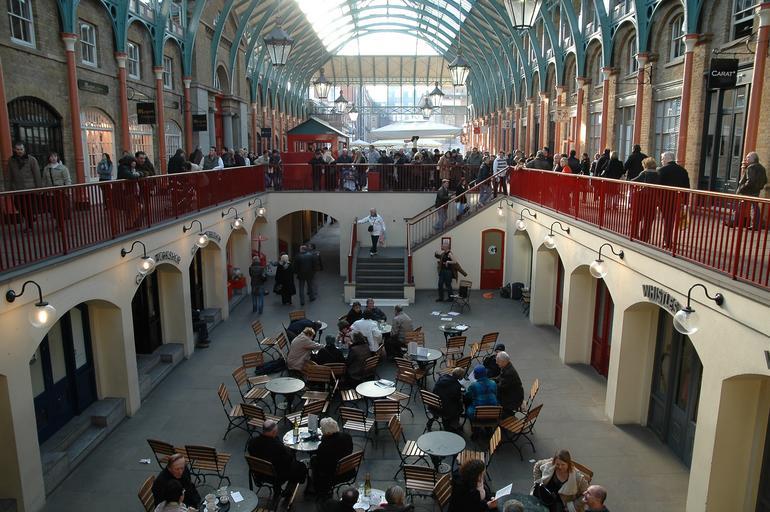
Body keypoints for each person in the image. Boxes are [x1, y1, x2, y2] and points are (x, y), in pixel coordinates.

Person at [247, 420, 307, 495]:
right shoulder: (277, 446)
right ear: (273, 432)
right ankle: (289, 491)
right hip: (275, 476)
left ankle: (280, 491)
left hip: (259, 473)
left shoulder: (252, 442)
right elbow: (288, 460)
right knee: (301, 467)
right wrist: (290, 451)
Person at [310, 418, 354, 497]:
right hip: (348, 470)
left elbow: (321, 463)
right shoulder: (347, 436)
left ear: (326, 432)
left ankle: (317, 486)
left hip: (333, 474)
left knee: (313, 460)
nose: (321, 429)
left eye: (321, 428)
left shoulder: (324, 446)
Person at [657, 151, 690, 247]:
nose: (662, 161)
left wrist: (657, 201)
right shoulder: (682, 170)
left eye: (662, 159)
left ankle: (667, 241)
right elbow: (687, 187)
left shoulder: (662, 170)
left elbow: (657, 186)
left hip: (665, 199)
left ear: (667, 159)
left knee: (667, 220)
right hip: (677, 199)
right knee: (672, 220)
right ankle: (669, 239)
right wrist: (685, 202)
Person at [7, 142, 41, 230]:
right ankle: (30, 219)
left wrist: (39, 188)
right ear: (14, 150)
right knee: (19, 206)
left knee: (29, 207)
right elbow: (9, 175)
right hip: (18, 188)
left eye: (21, 149)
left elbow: (37, 174)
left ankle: (29, 225)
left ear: (24, 149)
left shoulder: (32, 159)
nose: (19, 151)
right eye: (17, 149)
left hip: (30, 187)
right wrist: (9, 189)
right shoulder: (11, 160)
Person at [730, 151, 768, 229]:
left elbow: (750, 181)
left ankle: (733, 222)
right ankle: (755, 225)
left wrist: (742, 188)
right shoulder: (762, 168)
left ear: (753, 159)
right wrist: (759, 187)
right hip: (756, 191)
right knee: (754, 207)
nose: (746, 159)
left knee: (738, 205)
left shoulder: (751, 167)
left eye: (748, 157)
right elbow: (765, 180)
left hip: (747, 191)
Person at [630, 157, 660, 242]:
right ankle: (645, 237)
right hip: (653, 200)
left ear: (645, 165)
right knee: (648, 220)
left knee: (637, 218)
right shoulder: (658, 174)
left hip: (642, 199)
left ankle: (634, 234)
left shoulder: (645, 173)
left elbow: (634, 181)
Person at [432, 367, 465, 433]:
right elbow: (457, 398)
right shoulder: (457, 386)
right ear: (460, 377)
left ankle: (453, 422)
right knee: (460, 406)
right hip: (445, 409)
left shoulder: (443, 377)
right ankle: (454, 423)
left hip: (434, 404)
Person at [496, 351, 524, 416]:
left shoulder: (509, 373)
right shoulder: (507, 366)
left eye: (498, 361)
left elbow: (500, 387)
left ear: (504, 361)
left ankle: (505, 415)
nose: (496, 363)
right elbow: (500, 377)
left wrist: (490, 385)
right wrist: (491, 380)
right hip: (513, 394)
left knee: (494, 398)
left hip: (513, 400)